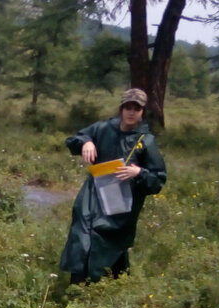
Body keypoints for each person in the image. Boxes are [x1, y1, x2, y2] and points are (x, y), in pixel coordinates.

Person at [60, 88, 167, 284]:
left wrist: (139, 173)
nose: (131, 112)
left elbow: (158, 179)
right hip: (93, 195)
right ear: (121, 108)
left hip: (122, 205)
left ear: (142, 111)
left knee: (111, 242)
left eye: (136, 108)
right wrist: (86, 142)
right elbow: (73, 140)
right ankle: (76, 290)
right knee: (83, 236)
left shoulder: (146, 141)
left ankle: (116, 286)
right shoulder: (102, 129)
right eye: (127, 107)